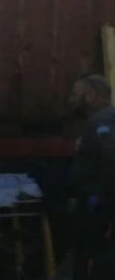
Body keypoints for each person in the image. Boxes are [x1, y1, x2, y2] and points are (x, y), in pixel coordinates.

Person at [68, 74, 115, 280]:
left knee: (91, 254)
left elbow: (110, 154)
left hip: (96, 203)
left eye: (75, 94)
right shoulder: (104, 119)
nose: (71, 99)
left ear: (90, 96)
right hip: (97, 201)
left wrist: (102, 197)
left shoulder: (101, 121)